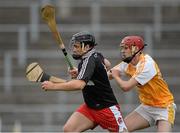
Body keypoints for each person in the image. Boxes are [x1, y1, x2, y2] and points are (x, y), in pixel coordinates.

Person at [41, 31, 128, 132]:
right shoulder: (96, 55)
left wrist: (53, 86)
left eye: (77, 46)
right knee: (69, 129)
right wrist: (81, 72)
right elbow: (107, 64)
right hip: (90, 107)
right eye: (74, 46)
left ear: (86, 47)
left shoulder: (88, 61)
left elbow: (79, 85)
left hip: (106, 109)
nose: (74, 49)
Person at [110, 35, 176, 132]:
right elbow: (108, 74)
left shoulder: (147, 65)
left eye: (126, 48)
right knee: (120, 130)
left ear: (135, 49)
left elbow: (126, 87)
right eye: (122, 48)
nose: (122, 51)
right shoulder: (128, 63)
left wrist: (116, 76)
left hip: (164, 107)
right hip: (147, 107)